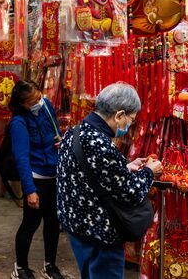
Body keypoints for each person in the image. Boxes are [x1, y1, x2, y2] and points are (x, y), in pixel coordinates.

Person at [56, 82, 162, 279]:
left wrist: (125, 167)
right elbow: (130, 193)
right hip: (100, 234)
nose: (128, 125)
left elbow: (88, 172)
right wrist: (149, 171)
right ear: (119, 115)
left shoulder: (74, 132)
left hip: (77, 226)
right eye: (130, 119)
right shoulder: (102, 145)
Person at [8, 80, 65, 279]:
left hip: (54, 173)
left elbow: (55, 130)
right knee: (30, 223)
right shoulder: (18, 123)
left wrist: (59, 141)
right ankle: (20, 267)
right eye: (33, 100)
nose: (39, 101)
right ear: (23, 104)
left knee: (52, 222)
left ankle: (50, 265)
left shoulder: (47, 106)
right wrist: (30, 190)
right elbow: (22, 159)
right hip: (36, 177)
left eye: (39, 96)